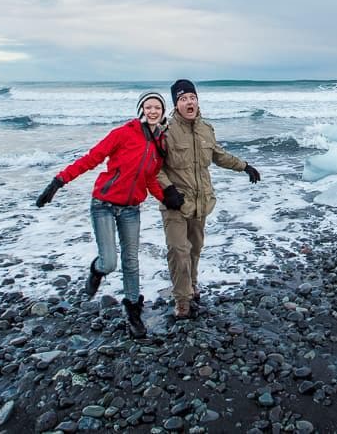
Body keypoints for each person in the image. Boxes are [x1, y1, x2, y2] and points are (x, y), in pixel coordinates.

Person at [35, 91, 168, 339]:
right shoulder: (122, 134)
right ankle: (96, 271)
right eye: (148, 107)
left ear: (162, 112)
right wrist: (58, 182)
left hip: (131, 210)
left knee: (131, 260)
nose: (152, 111)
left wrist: (166, 199)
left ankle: (133, 309)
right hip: (104, 205)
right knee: (109, 262)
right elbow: (91, 159)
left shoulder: (159, 143)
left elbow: (149, 178)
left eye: (157, 108)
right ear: (141, 110)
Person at [159, 79, 261, 319]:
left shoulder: (206, 128)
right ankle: (182, 300)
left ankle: (192, 286)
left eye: (192, 97)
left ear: (197, 100)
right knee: (178, 250)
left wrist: (244, 166)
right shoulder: (165, 131)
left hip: (201, 201)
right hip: (174, 202)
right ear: (176, 104)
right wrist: (168, 190)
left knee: (195, 249)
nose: (189, 102)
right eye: (183, 99)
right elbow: (154, 167)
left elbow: (218, 155)